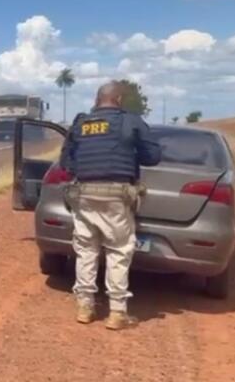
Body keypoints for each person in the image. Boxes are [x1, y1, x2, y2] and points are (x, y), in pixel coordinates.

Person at [59, 81, 161, 330]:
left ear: (97, 100)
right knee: (117, 251)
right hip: (116, 195)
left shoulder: (81, 123)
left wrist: (88, 170)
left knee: (86, 251)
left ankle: (85, 307)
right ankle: (117, 313)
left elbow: (65, 161)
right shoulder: (130, 121)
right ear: (119, 100)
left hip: (83, 194)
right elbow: (153, 157)